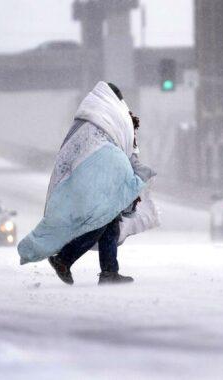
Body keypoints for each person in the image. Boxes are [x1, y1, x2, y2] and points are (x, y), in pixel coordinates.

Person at [18, 81, 156, 285]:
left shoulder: (88, 118)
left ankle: (109, 271)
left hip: (85, 176)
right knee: (101, 219)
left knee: (109, 221)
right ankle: (64, 258)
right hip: (97, 176)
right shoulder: (111, 116)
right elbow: (123, 145)